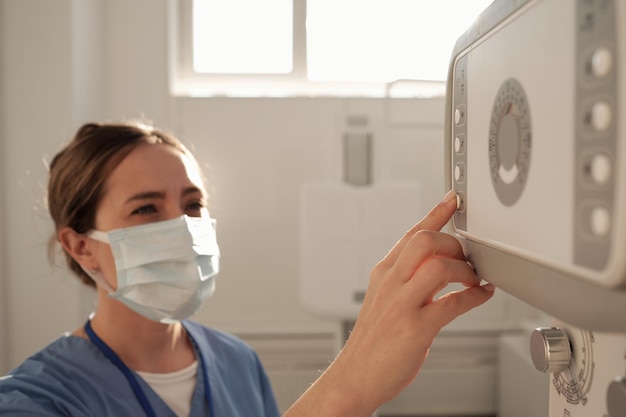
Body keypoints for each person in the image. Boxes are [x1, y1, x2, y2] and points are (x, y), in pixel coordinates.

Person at [0, 121, 495, 417]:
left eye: (193, 205)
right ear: (81, 246)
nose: (183, 226)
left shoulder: (236, 362)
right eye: (147, 210)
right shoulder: (36, 400)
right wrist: (350, 384)